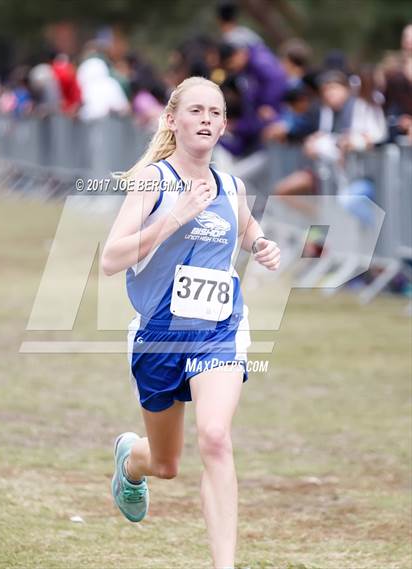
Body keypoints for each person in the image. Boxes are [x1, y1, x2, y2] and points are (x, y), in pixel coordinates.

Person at [101, 76, 280, 569]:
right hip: (158, 334)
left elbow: (244, 228)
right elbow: (110, 259)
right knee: (166, 464)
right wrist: (172, 219)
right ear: (173, 121)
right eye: (195, 110)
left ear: (223, 125)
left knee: (216, 437)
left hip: (219, 330)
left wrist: (261, 244)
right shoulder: (153, 182)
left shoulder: (231, 186)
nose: (205, 119)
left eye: (214, 112)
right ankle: (130, 460)